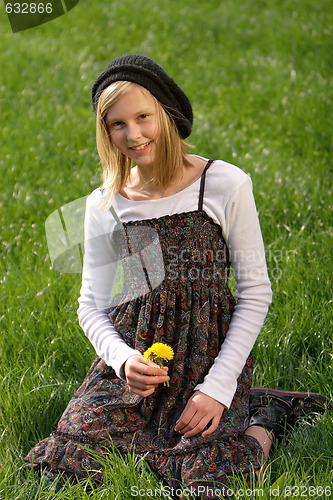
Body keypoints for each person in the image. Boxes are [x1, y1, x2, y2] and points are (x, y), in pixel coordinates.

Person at [24, 55, 331, 499]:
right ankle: (232, 408)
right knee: (66, 465)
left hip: (209, 351)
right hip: (140, 355)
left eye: (143, 117)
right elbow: (90, 305)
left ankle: (265, 416)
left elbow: (254, 291)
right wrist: (123, 359)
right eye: (117, 124)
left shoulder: (223, 183)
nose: (133, 134)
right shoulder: (105, 203)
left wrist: (219, 388)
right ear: (105, 131)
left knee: (208, 481)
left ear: (167, 113)